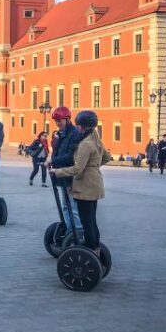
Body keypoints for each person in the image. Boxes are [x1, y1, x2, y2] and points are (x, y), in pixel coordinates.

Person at [49, 110, 111, 255]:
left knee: (86, 222)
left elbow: (77, 169)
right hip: (95, 184)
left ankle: (90, 251)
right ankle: (95, 249)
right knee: (92, 220)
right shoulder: (96, 139)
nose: (77, 128)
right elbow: (107, 157)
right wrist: (93, 167)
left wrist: (57, 172)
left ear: (81, 127)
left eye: (78, 125)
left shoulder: (85, 144)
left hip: (85, 187)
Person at [49, 106, 82, 235]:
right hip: (62, 175)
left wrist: (53, 161)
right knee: (65, 206)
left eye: (60, 120)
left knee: (72, 208)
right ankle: (69, 231)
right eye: (56, 121)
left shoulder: (74, 134)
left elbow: (70, 156)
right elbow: (57, 152)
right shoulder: (62, 134)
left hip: (70, 176)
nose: (58, 123)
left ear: (67, 119)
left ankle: (77, 232)